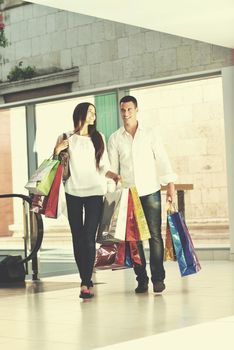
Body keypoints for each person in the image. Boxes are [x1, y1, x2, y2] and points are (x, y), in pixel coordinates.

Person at [108, 95, 177, 294]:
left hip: (151, 191)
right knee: (134, 240)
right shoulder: (115, 138)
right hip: (129, 194)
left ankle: (158, 279)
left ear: (137, 110)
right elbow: (112, 169)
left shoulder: (150, 134)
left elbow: (162, 159)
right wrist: (112, 196)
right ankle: (141, 279)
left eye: (129, 109)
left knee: (155, 236)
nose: (126, 113)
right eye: (123, 110)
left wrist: (170, 184)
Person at [54, 102, 120, 299]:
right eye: (90, 111)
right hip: (72, 192)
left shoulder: (98, 137)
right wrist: (57, 150)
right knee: (77, 237)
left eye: (95, 112)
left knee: (89, 237)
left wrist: (113, 176)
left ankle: (86, 281)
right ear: (81, 114)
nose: (94, 115)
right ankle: (84, 278)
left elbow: (103, 166)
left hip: (94, 193)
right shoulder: (66, 137)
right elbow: (56, 166)